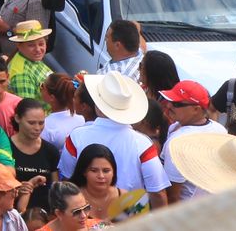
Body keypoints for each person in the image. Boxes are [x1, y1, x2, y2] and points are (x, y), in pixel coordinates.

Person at [55, 73, 168, 208]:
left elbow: (68, 181)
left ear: (97, 105)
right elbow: (158, 193)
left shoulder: (76, 137)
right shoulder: (143, 144)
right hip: (129, 215)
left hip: (86, 215)